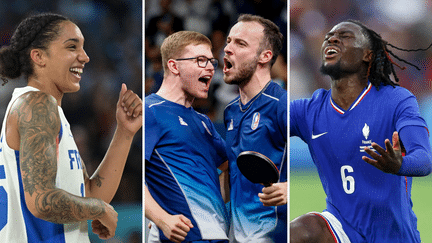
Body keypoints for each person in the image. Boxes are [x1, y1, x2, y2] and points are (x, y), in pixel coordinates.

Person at [0, 13, 142, 242]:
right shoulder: (37, 105)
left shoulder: (49, 111)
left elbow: (90, 193)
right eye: (72, 47)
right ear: (39, 56)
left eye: (83, 48)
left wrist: (124, 132)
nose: (85, 57)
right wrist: (98, 210)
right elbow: (41, 200)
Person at [290, 20, 432, 243]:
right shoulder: (307, 111)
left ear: (368, 55)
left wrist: (399, 165)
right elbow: (265, 120)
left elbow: (425, 159)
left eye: (345, 36)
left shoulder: (396, 100)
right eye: (329, 36)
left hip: (394, 237)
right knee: (302, 231)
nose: (332, 39)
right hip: (342, 230)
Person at [145, 30, 229, 243]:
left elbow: (229, 168)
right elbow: (130, 174)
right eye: (200, 60)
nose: (210, 67)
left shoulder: (204, 122)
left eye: (211, 61)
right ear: (174, 66)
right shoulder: (149, 111)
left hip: (217, 237)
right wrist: (161, 218)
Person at [222, 14, 287, 243]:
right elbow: (233, 175)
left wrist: (291, 188)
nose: (227, 49)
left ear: (265, 56)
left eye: (240, 43)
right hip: (237, 234)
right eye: (229, 41)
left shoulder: (282, 106)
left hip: (272, 234)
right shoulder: (230, 111)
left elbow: (326, 150)